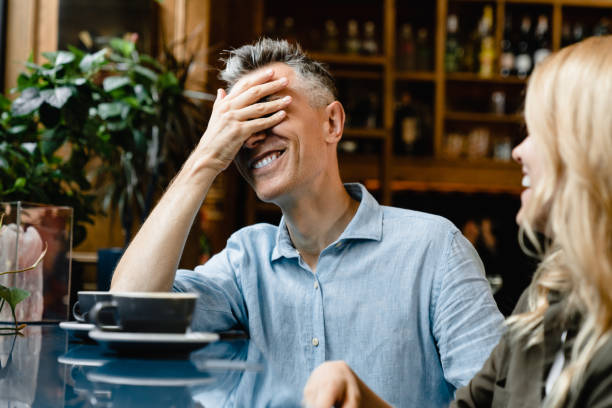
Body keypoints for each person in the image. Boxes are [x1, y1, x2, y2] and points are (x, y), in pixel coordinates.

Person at [110, 38, 503, 407]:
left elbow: (501, 401)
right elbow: (131, 311)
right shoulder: (246, 261)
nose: (252, 137)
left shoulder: (434, 248)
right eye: (242, 121)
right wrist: (206, 158)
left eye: (268, 108)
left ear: (332, 123)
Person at [302, 35, 612, 408]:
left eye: (538, 132)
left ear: (593, 151)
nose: (518, 151)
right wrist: (358, 394)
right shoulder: (545, 299)